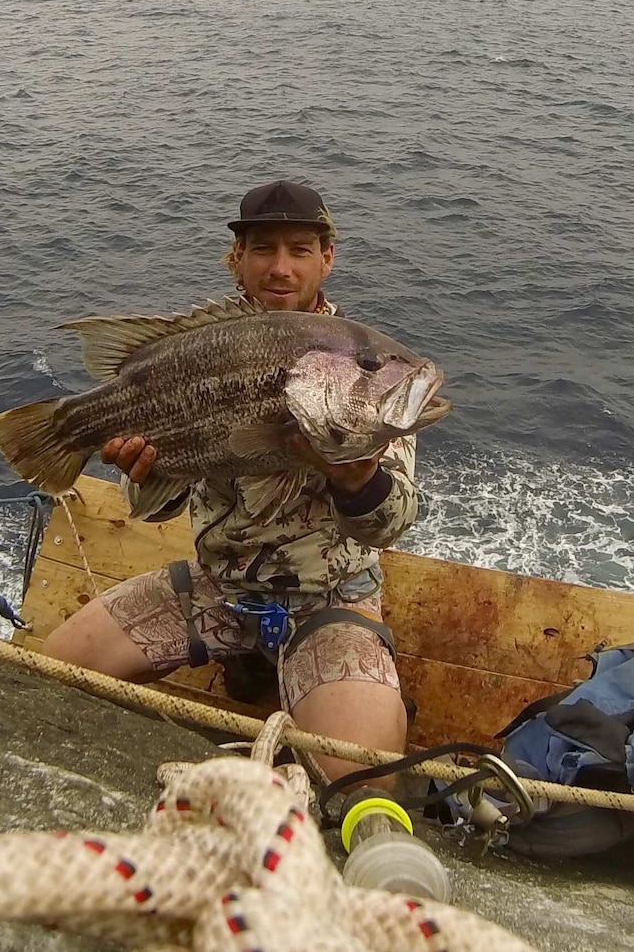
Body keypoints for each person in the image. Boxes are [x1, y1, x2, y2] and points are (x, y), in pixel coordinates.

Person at [43, 179, 420, 785]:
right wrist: (140, 467)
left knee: (362, 778)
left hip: (328, 597)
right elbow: (154, 505)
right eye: (262, 249)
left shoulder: (358, 364)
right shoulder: (201, 348)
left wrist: (357, 478)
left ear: (328, 257)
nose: (280, 267)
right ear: (236, 261)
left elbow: (394, 521)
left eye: (299, 249)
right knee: (45, 676)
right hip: (217, 585)